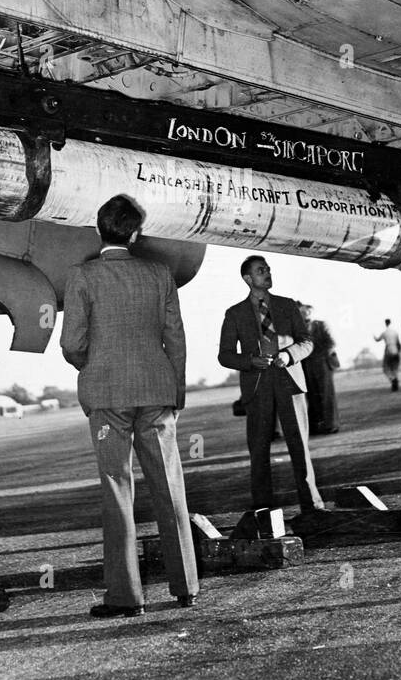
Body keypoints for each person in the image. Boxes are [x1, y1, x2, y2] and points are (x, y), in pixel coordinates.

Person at [61, 194, 198, 618]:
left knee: (117, 490)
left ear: (98, 232)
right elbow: (175, 338)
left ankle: (126, 597)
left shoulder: (82, 276)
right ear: (136, 234)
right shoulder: (159, 274)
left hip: (107, 395)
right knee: (169, 487)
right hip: (156, 393)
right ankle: (186, 588)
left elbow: (71, 344)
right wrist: (174, 390)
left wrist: (94, 364)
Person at [218, 257, 325, 515]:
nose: (267, 273)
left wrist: (289, 355)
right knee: (259, 449)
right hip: (257, 385)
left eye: (267, 269)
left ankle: (313, 506)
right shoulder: (234, 314)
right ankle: (263, 510)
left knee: (299, 445)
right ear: (247, 279)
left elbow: (307, 341)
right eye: (260, 270)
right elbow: (225, 355)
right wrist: (250, 361)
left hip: (290, 382)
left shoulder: (287, 306)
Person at [300, 303, 340, 434]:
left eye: (306, 314)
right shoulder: (298, 330)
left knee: (327, 394)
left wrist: (322, 356)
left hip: (322, 363)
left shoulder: (321, 325)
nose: (305, 317)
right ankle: (316, 427)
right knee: (312, 396)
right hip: (307, 365)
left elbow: (331, 343)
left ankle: (331, 425)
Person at [374, 319, 401, 390]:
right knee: (394, 368)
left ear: (385, 324)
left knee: (386, 368)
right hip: (396, 351)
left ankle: (392, 379)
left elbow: (377, 340)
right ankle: (395, 382)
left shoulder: (384, 333)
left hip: (389, 351)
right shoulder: (395, 332)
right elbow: (398, 343)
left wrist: (374, 337)